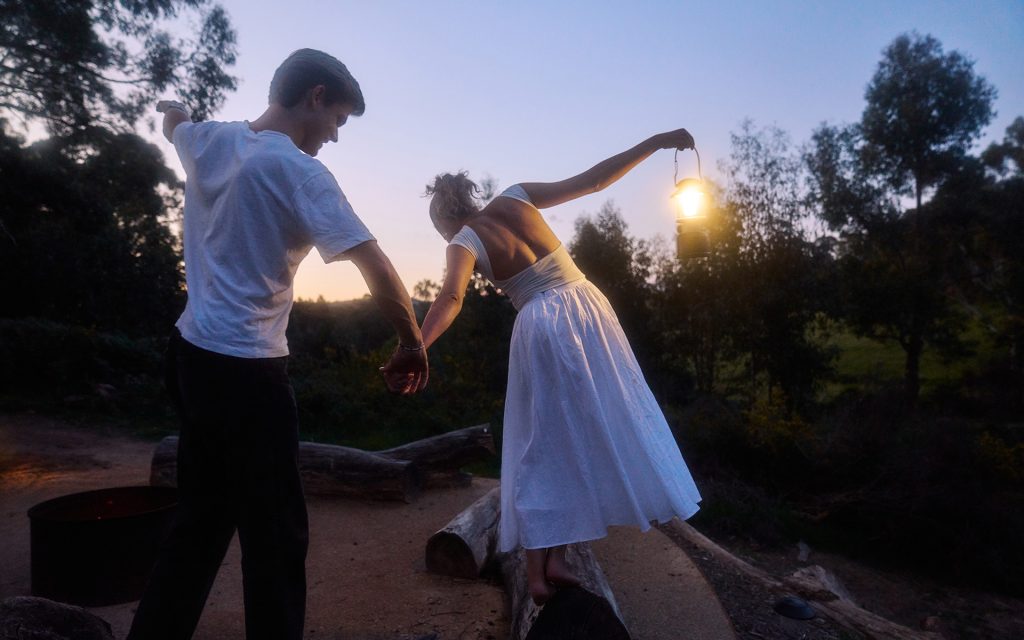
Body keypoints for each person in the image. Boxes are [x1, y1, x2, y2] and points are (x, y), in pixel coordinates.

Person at [127, 49, 428, 640]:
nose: (334, 136)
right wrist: (411, 343)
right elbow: (375, 264)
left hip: (189, 355)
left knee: (199, 523)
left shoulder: (210, 140)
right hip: (247, 372)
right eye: (337, 119)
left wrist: (175, 107)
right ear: (315, 96)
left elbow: (175, 126)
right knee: (275, 538)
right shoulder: (298, 171)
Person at [418, 129, 702, 605]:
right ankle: (552, 559)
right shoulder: (516, 196)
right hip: (587, 307)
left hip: (542, 323)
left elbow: (450, 297)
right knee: (579, 432)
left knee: (545, 440)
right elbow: (594, 181)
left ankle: (541, 568)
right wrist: (655, 143)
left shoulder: (462, 241)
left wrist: (417, 345)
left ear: (444, 219)